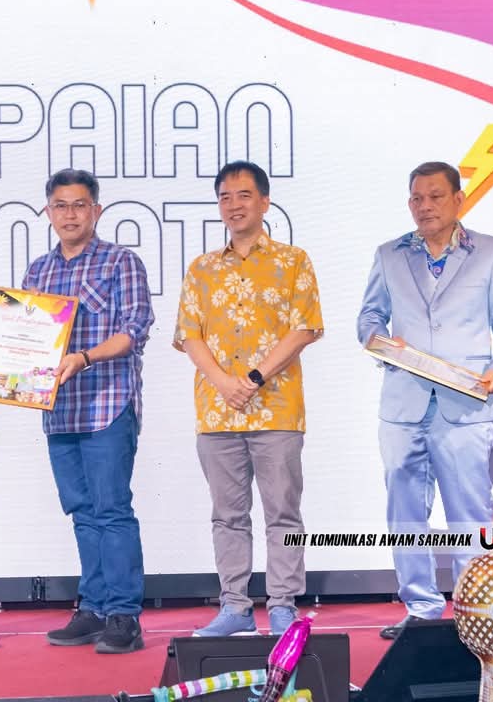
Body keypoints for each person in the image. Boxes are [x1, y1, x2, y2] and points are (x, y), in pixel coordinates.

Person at [356, 161, 493, 639]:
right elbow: (368, 319)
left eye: (435, 196)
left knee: (469, 512)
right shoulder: (389, 254)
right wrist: (381, 342)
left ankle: (475, 613)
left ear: (458, 199)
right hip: (403, 405)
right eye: (417, 198)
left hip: (466, 404)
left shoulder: (491, 252)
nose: (425, 206)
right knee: (405, 511)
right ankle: (421, 608)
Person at [174, 160, 323, 637]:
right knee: (228, 516)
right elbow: (189, 335)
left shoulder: (293, 261)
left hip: (276, 409)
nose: (233, 205)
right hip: (218, 412)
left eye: (243, 195)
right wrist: (223, 381)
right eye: (225, 197)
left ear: (264, 201)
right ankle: (235, 606)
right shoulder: (201, 268)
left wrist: (254, 378)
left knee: (283, 513)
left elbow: (304, 328)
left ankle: (282, 605)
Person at [23, 169, 154, 654]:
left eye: (79, 205)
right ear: (48, 212)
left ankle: (123, 615)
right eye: (60, 205)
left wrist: (84, 357)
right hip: (59, 411)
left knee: (111, 509)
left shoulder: (121, 261)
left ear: (96, 210)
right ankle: (94, 608)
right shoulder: (38, 271)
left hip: (106, 406)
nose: (70, 214)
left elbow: (134, 330)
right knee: (81, 512)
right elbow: (26, 341)